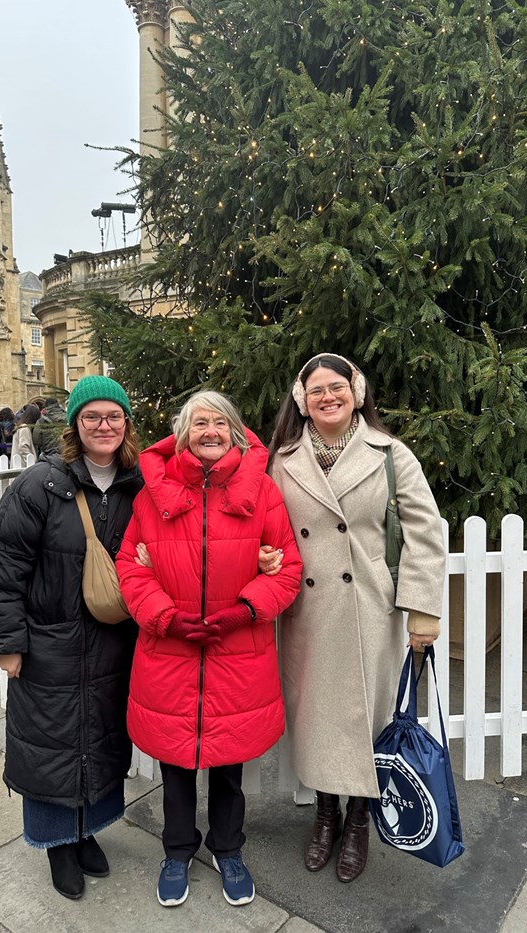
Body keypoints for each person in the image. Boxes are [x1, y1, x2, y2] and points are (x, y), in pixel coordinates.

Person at [116, 390, 302, 909]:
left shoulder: (261, 491)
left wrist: (244, 610)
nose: (210, 432)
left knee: (228, 766)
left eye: (220, 423)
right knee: (175, 766)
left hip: (237, 652)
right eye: (199, 423)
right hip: (169, 652)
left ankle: (228, 848)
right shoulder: (153, 495)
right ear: (183, 433)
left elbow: (287, 567)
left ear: (236, 431)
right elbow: (130, 566)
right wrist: (165, 617)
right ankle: (177, 850)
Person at [267, 353, 446, 883]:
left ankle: (361, 820)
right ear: (302, 399)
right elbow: (267, 526)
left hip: (370, 606)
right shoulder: (283, 459)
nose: (327, 396)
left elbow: (425, 533)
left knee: (369, 715)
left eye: (336, 387)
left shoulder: (392, 454)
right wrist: (263, 557)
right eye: (316, 389)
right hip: (309, 607)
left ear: (357, 391)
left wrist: (423, 611)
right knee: (317, 714)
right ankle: (326, 814)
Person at [0, 375, 144, 901]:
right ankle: (57, 842)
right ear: (75, 424)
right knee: (51, 742)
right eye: (92, 417)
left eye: (113, 416)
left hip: (112, 644)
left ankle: (87, 830)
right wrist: (7, 642)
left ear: (126, 424)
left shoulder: (135, 486)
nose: (104, 426)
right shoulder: (40, 486)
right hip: (49, 642)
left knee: (99, 737)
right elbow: (2, 568)